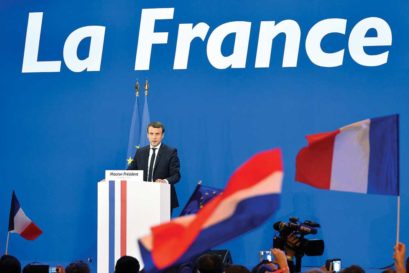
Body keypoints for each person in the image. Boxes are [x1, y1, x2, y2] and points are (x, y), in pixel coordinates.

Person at [128, 121, 181, 210]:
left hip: (163, 198)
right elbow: (130, 172)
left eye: (157, 134)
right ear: (147, 135)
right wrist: (114, 178)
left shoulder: (170, 152)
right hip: (143, 198)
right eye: (151, 133)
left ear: (162, 135)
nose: (154, 137)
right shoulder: (140, 152)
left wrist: (164, 181)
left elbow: (176, 175)